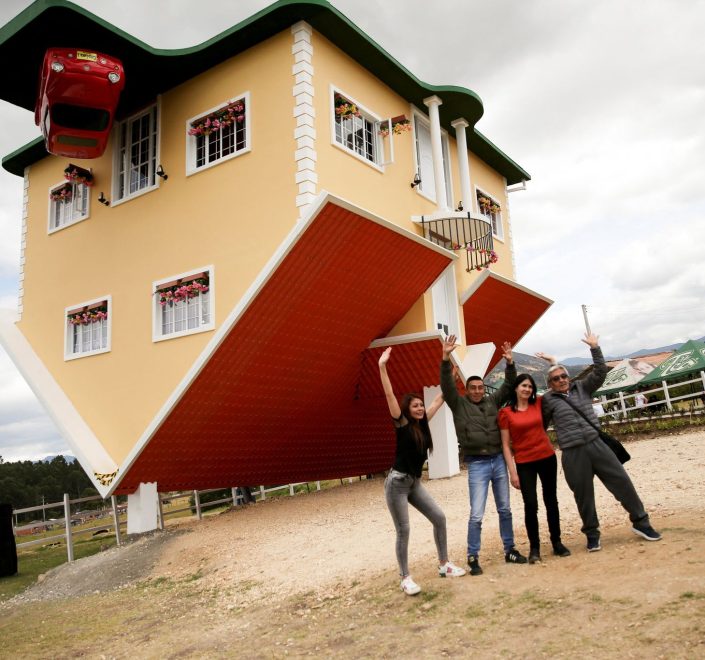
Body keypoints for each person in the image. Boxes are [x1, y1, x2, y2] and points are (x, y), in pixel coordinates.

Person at [540, 333, 661, 552]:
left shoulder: (582, 388)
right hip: (573, 452)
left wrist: (595, 348)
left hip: (597, 444)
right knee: (584, 496)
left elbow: (600, 372)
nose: (561, 380)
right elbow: (538, 424)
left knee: (622, 483)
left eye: (563, 376)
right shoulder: (547, 400)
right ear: (550, 384)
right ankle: (592, 534)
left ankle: (642, 523)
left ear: (568, 377)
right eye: (556, 379)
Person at [378, 347, 466, 596]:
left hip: (414, 483)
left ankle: (444, 564)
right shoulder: (401, 424)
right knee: (404, 530)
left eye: (420, 405)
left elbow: (440, 398)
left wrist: (451, 376)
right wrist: (382, 367)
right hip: (397, 483)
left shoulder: (423, 423)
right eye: (415, 405)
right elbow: (389, 393)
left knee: (439, 517)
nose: (419, 408)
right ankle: (405, 577)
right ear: (406, 409)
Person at [440, 334, 527, 576]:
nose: (478, 391)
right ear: (466, 390)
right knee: (476, 514)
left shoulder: (492, 402)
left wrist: (510, 363)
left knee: (505, 509)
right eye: (473, 388)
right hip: (477, 464)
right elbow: (447, 386)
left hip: (498, 460)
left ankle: (510, 549)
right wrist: (445, 358)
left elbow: (509, 386)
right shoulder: (459, 405)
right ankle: (473, 556)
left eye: (480, 387)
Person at [499, 373, 571, 564]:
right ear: (516, 388)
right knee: (531, 505)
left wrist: (552, 362)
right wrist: (512, 472)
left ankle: (557, 542)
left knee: (551, 501)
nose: (527, 389)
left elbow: (557, 386)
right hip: (524, 463)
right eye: (524, 385)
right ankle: (535, 548)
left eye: (530, 386)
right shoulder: (506, 413)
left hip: (547, 457)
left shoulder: (538, 403)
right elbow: (506, 445)